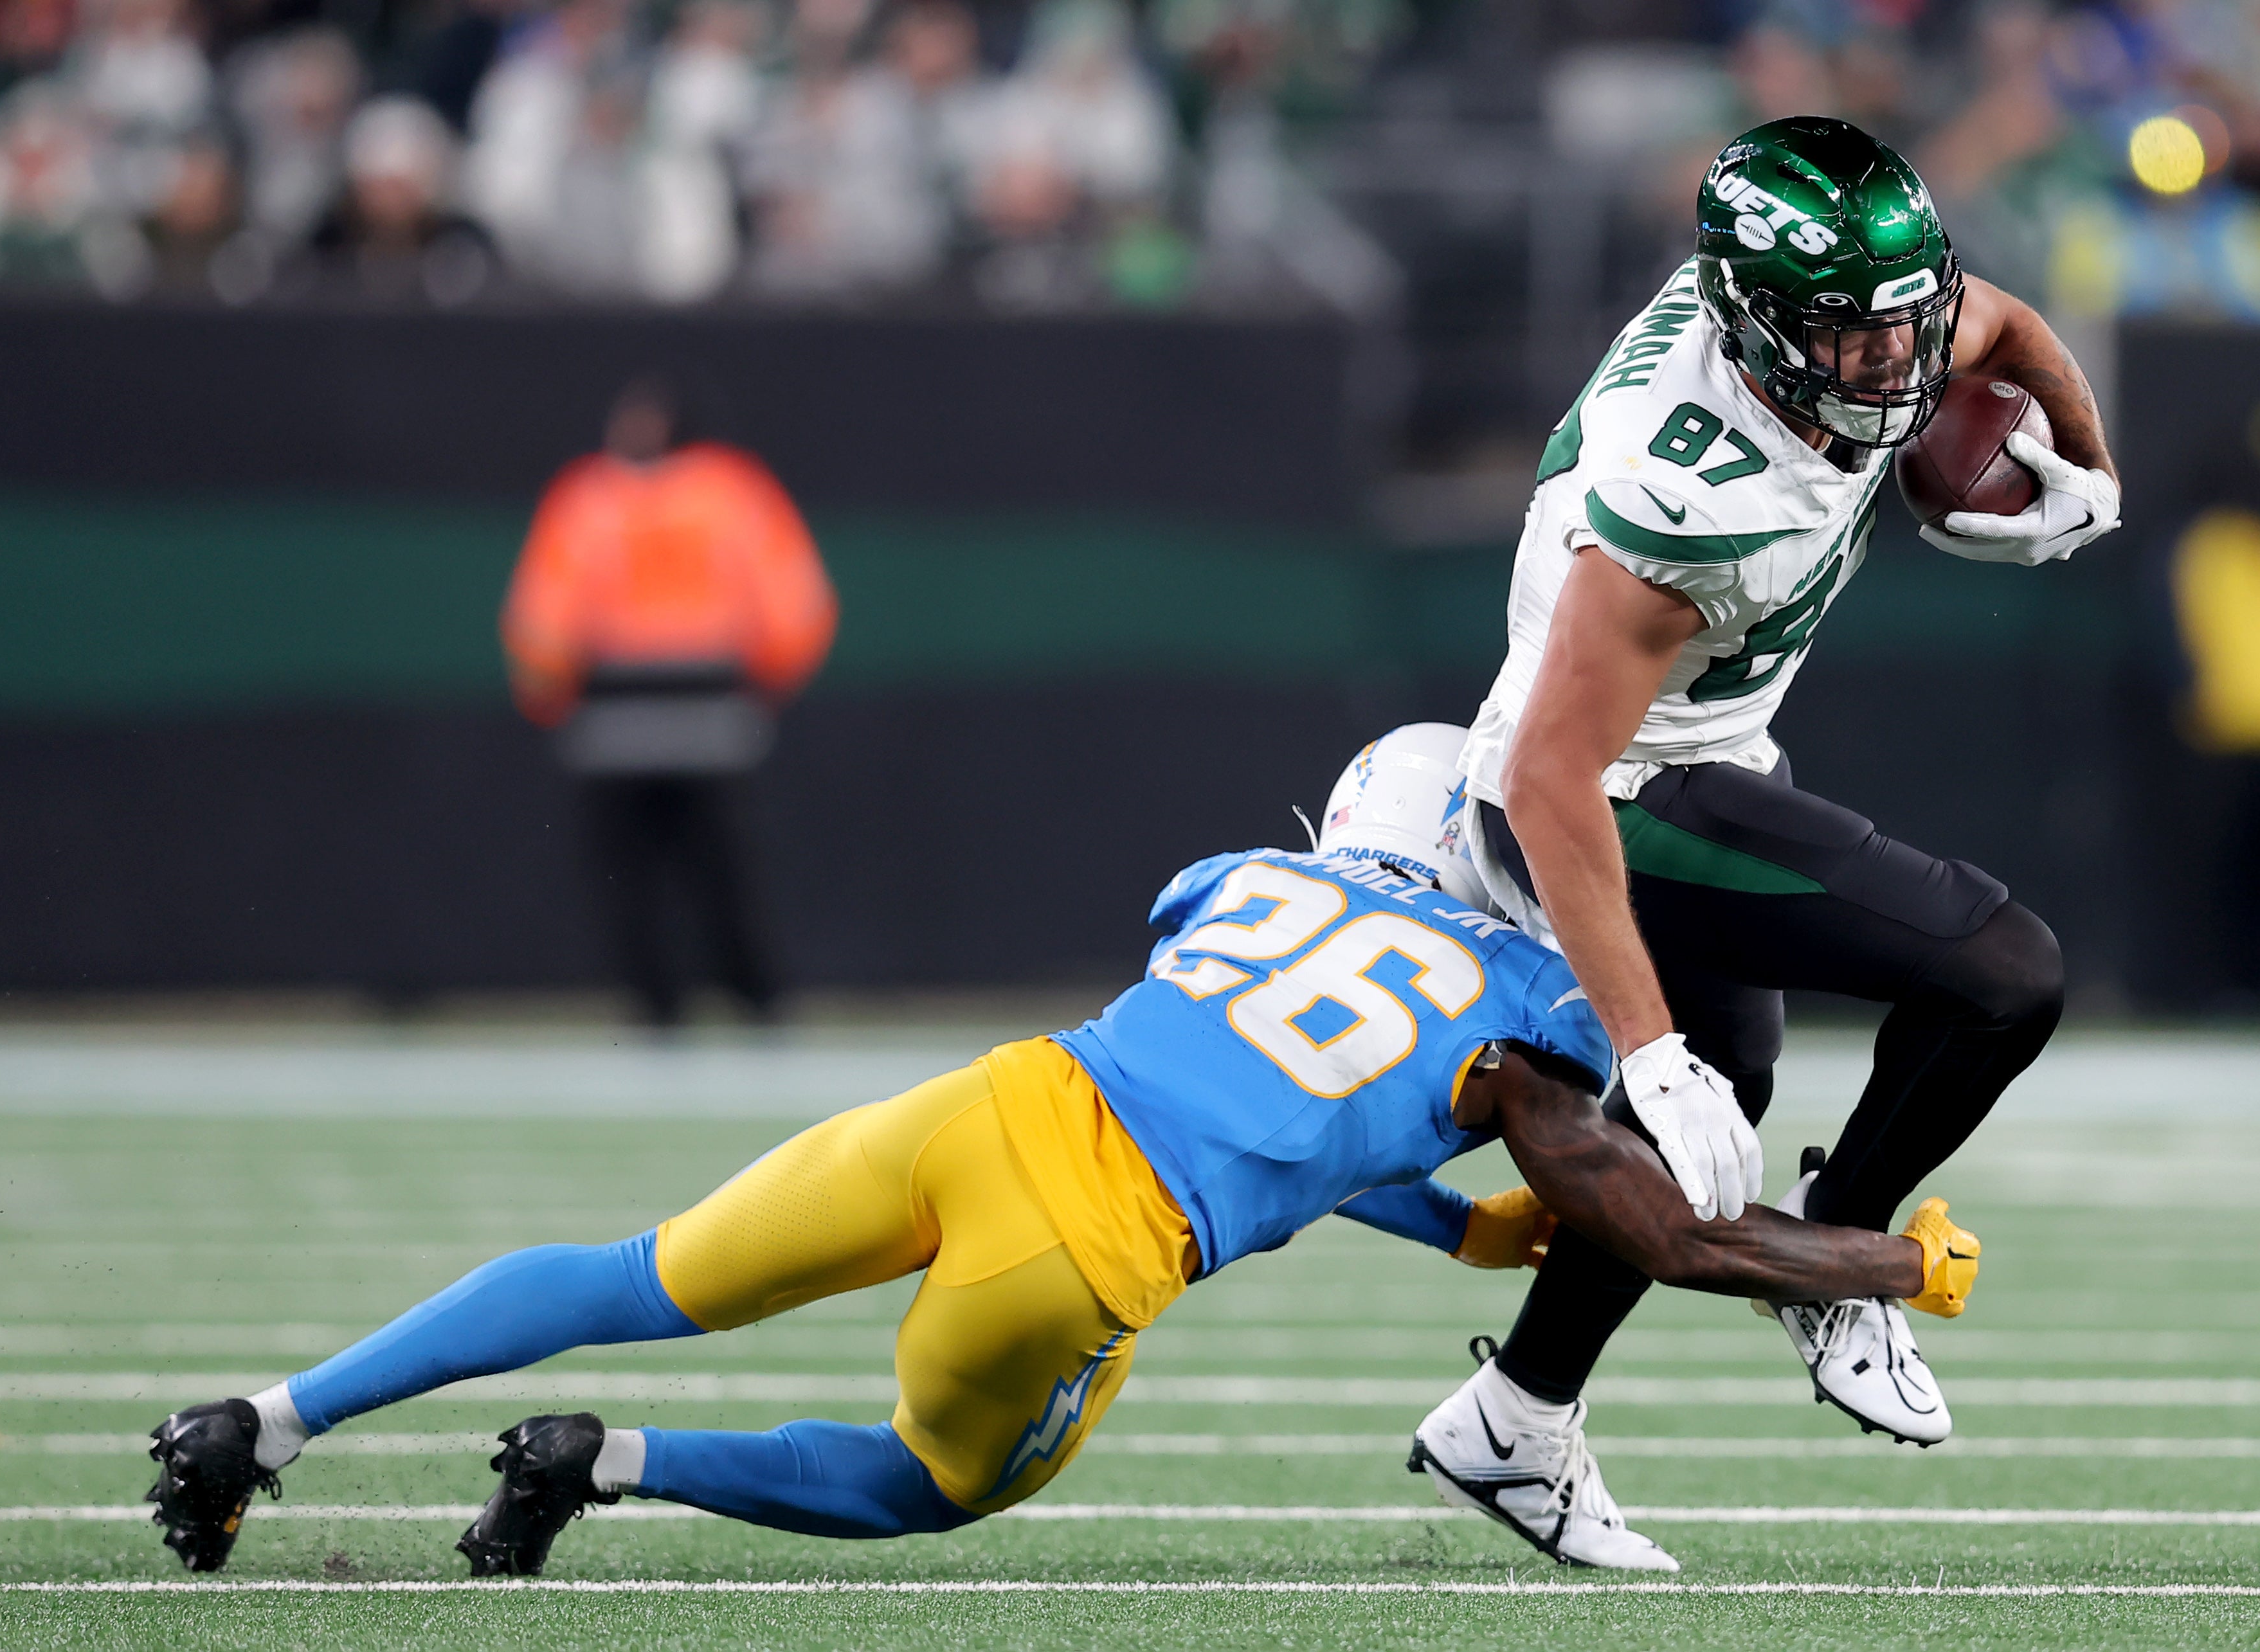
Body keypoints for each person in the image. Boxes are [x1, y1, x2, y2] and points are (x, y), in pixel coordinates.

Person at [143, 724, 1980, 1577]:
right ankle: (604, 1463)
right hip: (1085, 1246)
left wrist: (1438, 1230)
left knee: (636, 1270)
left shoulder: (1249, 882)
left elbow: (1275, 1083)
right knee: (928, 1486)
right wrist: (1889, 1260)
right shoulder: (1536, 1017)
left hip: (992, 1104)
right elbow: (1659, 1233)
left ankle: (269, 1419)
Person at [1408, 117, 2115, 1563]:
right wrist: (1645, 1050)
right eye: (1856, 344)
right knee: (2001, 970)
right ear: (1760, 326)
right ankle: (1833, 1252)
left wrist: (2090, 476)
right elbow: (1550, 776)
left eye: (1901, 327)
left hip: (1704, 751)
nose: (1900, 368)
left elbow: (2007, 323)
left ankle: (1514, 1419)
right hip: (1605, 796)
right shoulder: (1687, 493)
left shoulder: (1858, 322)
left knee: (1728, 1096)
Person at [502, 377, 838, 1027]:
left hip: (614, 714)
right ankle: (756, 1001)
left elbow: (543, 614)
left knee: (636, 876)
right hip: (707, 710)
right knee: (718, 868)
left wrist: (546, 688)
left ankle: (659, 1009)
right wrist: (767, 682)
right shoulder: (733, 491)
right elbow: (796, 603)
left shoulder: (591, 496)